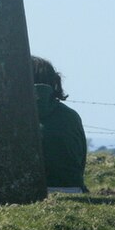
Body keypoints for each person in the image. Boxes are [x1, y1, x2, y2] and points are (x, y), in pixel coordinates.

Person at [31, 56, 87, 194]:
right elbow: (80, 159)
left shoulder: (12, 114)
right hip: (72, 188)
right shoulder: (70, 116)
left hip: (28, 190)